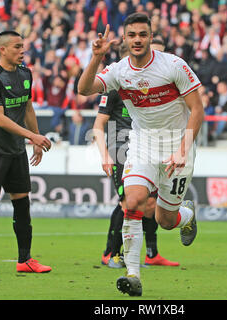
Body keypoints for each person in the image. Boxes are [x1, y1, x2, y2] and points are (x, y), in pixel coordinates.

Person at [78, 13, 204, 296]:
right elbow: (83, 89)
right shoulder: (118, 71)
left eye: (142, 35)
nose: (137, 39)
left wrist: (183, 148)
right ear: (124, 38)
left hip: (177, 146)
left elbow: (198, 109)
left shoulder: (173, 65)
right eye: (132, 35)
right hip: (143, 143)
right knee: (132, 202)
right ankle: (133, 274)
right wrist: (96, 57)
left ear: (150, 36)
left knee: (164, 220)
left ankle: (186, 216)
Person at [94, 40, 179, 269]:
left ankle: (152, 253)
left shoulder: (159, 85)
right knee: (127, 202)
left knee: (151, 202)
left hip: (149, 144)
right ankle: (111, 253)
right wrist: (105, 154)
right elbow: (98, 124)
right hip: (121, 148)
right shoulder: (116, 85)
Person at [0, 31, 52, 274]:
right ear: (3, 49)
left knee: (22, 203)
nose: (22, 51)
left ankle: (25, 259)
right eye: (18, 47)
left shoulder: (25, 73)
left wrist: (35, 139)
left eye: (23, 46)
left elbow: (28, 107)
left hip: (17, 149)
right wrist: (32, 136)